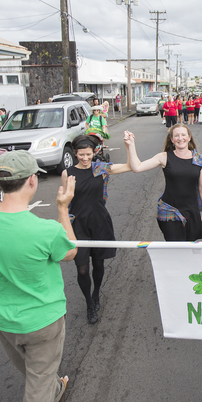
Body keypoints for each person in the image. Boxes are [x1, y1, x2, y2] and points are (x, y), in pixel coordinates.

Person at [0, 150, 78, 402]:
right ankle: (48, 389)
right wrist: (62, 207)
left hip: (1, 319)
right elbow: (70, 252)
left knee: (32, 369)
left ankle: (54, 388)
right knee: (37, 388)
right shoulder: (44, 230)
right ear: (32, 180)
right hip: (42, 322)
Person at [62, 135, 132, 324]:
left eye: (88, 154)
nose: (85, 158)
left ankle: (96, 294)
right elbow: (65, 202)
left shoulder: (100, 168)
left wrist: (129, 145)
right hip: (78, 225)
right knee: (83, 269)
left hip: (100, 222)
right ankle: (89, 304)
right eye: (81, 155)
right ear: (75, 154)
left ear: (95, 152)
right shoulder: (68, 173)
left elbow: (130, 166)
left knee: (99, 265)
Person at [125, 124, 202, 241]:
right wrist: (131, 145)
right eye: (176, 136)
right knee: (175, 249)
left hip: (192, 211)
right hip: (169, 210)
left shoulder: (200, 160)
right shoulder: (164, 157)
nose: (180, 138)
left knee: (190, 251)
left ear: (189, 137)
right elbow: (137, 167)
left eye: (183, 135)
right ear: (172, 139)